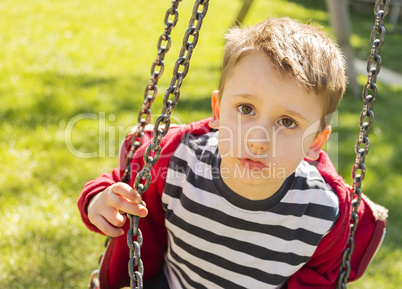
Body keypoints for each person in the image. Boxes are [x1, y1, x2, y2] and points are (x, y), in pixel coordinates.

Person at [78, 17, 387, 289]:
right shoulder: (176, 160)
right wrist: (99, 200)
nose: (258, 140)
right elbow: (122, 186)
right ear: (217, 111)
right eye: (246, 109)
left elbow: (323, 274)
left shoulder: (322, 212)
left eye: (287, 122)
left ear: (315, 142)